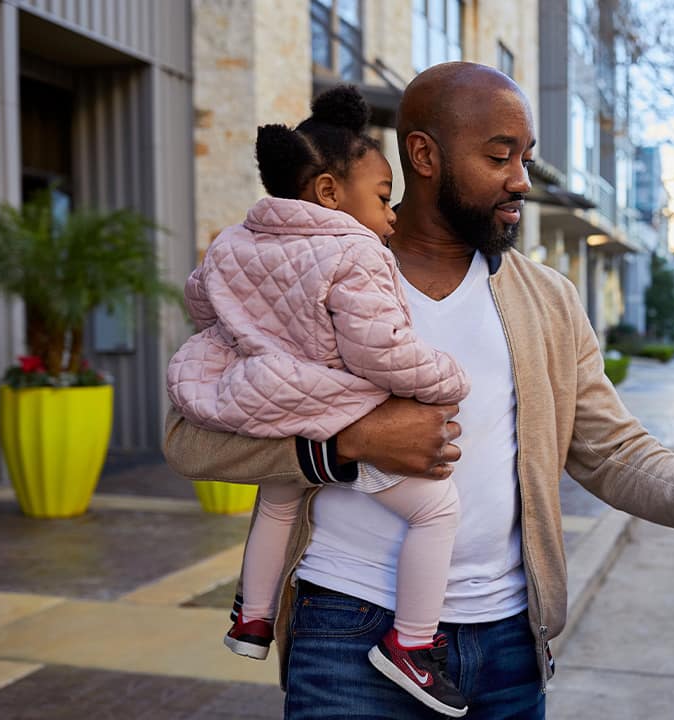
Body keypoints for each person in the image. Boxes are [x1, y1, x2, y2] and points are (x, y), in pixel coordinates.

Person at [163, 61, 674, 720]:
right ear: (424, 156)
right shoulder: (308, 272)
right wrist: (347, 446)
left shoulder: (546, 301)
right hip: (347, 629)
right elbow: (191, 438)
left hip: (508, 644)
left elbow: (613, 451)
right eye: (499, 157)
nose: (521, 180)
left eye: (525, 156)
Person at [165, 85, 472, 716]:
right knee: (437, 509)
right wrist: (447, 378)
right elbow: (379, 352)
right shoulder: (354, 250)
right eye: (383, 197)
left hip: (266, 399)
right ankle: (412, 644)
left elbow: (202, 302)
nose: (391, 215)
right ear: (330, 194)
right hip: (332, 404)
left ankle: (252, 619)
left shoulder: (233, 240)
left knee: (279, 500)